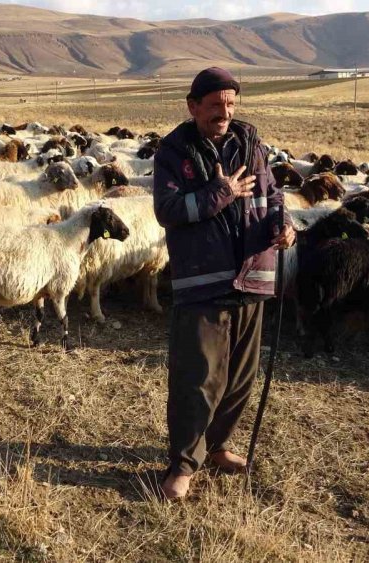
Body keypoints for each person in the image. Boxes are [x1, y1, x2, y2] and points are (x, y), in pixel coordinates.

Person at [152, 67, 296, 500]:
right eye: (215, 105)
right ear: (194, 106)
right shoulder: (173, 152)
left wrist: (284, 225)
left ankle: (216, 447)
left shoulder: (252, 145)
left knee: (239, 377)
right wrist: (221, 193)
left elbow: (272, 196)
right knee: (198, 376)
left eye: (231, 104)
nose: (225, 112)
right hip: (203, 278)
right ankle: (183, 464)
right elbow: (169, 210)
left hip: (252, 274)